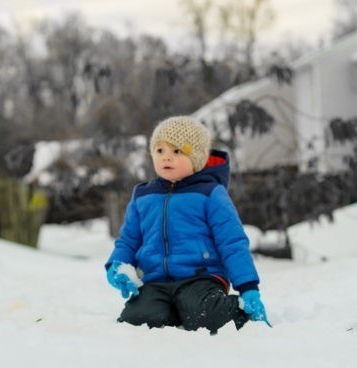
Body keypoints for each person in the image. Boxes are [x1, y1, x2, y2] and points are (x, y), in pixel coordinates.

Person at [104, 115, 270, 333]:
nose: (167, 158)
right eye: (160, 151)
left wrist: (248, 287)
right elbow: (129, 239)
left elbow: (232, 242)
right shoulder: (143, 195)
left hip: (201, 278)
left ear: (197, 158)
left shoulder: (210, 193)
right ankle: (173, 310)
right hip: (155, 281)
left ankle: (238, 312)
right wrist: (116, 265)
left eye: (177, 151)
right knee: (137, 319)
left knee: (206, 315)